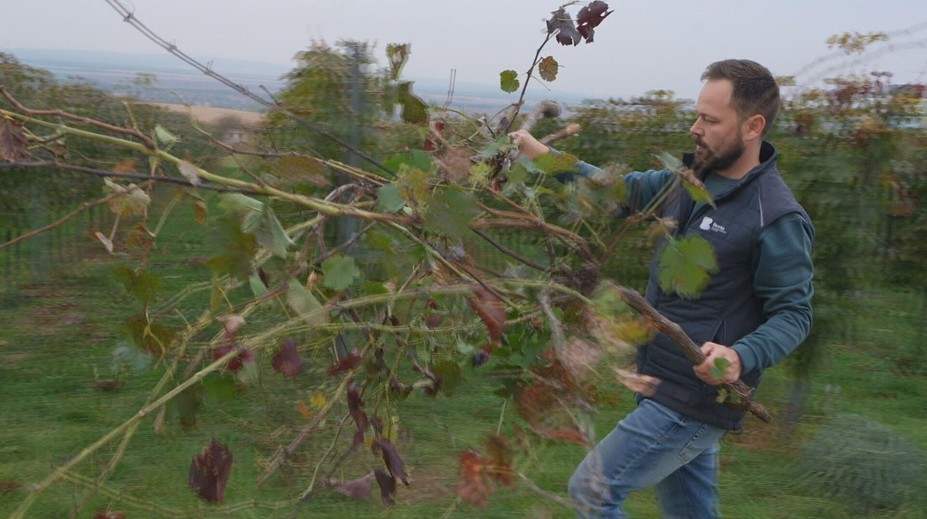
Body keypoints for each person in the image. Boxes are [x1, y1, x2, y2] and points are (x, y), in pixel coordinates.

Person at [510, 59, 815, 518]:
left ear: (753, 126)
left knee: (592, 491)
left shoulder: (775, 215)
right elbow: (615, 190)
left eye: (710, 120)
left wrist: (740, 356)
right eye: (697, 115)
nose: (695, 128)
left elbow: (794, 314)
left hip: (694, 396)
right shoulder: (687, 181)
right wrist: (539, 154)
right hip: (660, 378)